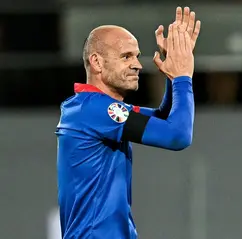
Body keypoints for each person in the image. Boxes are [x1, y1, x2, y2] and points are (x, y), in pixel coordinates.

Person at [55, 6, 201, 239]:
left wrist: (173, 74)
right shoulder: (95, 110)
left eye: (136, 55)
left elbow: (162, 118)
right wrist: (183, 78)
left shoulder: (92, 109)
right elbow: (177, 135)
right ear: (97, 62)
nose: (138, 64)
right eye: (126, 56)